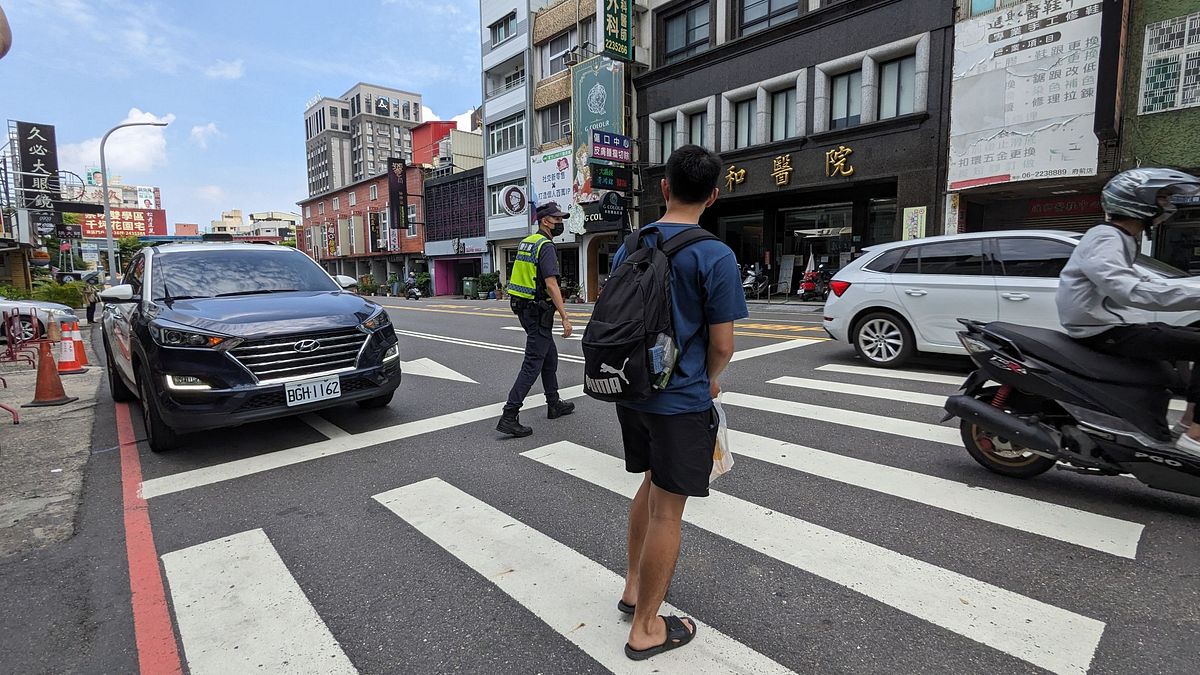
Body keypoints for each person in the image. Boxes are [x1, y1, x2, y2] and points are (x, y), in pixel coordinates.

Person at [610, 145, 747, 661]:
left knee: (650, 484)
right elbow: (723, 345)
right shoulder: (715, 255)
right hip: (680, 401)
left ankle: (631, 588)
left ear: (663, 187)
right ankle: (646, 627)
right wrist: (709, 381)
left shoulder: (632, 243)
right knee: (670, 511)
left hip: (633, 391)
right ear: (713, 196)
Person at [1057, 167, 1200, 456]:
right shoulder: (1106, 238)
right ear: (1139, 201)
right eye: (1162, 197)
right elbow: (1127, 289)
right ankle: (1195, 435)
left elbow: (1142, 279)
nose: (1167, 205)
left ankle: (1187, 423)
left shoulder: (1121, 238)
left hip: (1116, 327)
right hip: (1106, 332)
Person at [495, 202, 575, 437]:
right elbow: (551, 283)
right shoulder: (546, 246)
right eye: (557, 219)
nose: (560, 223)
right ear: (545, 221)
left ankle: (554, 403)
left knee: (549, 356)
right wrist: (565, 316)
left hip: (524, 307)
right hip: (538, 311)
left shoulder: (527, 242)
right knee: (533, 363)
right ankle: (509, 415)